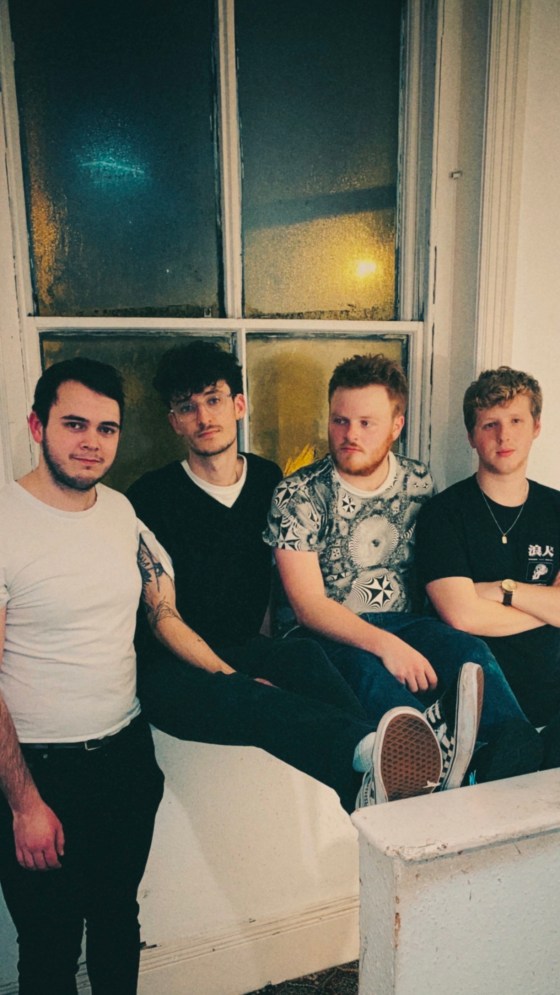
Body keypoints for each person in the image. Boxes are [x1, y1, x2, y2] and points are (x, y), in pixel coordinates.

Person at [126, 341, 478, 807]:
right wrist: (234, 677)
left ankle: (388, 767)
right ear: (174, 421)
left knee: (306, 659)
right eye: (187, 407)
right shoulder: (151, 495)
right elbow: (162, 618)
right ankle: (387, 757)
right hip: (174, 666)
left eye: (213, 400)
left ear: (238, 405)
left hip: (247, 647)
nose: (204, 417)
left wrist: (264, 655)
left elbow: (266, 583)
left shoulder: (266, 479)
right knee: (255, 698)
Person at [264, 353, 543, 784]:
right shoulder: (298, 493)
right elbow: (308, 607)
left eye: (366, 423)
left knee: (467, 650)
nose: (350, 435)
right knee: (372, 675)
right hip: (322, 635)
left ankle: (511, 751)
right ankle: (432, 766)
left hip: (408, 625)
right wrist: (386, 646)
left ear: (397, 426)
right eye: (340, 421)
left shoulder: (418, 482)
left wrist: (407, 639)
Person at [0, 358, 164, 995]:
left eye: (107, 428)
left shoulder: (120, 511)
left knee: (118, 919)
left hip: (125, 756)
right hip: (39, 772)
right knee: (49, 945)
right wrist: (24, 803)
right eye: (74, 424)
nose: (92, 442)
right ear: (37, 426)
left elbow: (159, 600)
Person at [415, 365, 560, 769]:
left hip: (553, 697)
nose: (504, 436)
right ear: (471, 436)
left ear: (536, 427)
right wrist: (547, 605)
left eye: (516, 421)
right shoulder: (443, 514)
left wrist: (501, 589)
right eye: (490, 424)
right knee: (515, 760)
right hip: (481, 710)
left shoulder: (557, 509)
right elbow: (461, 615)